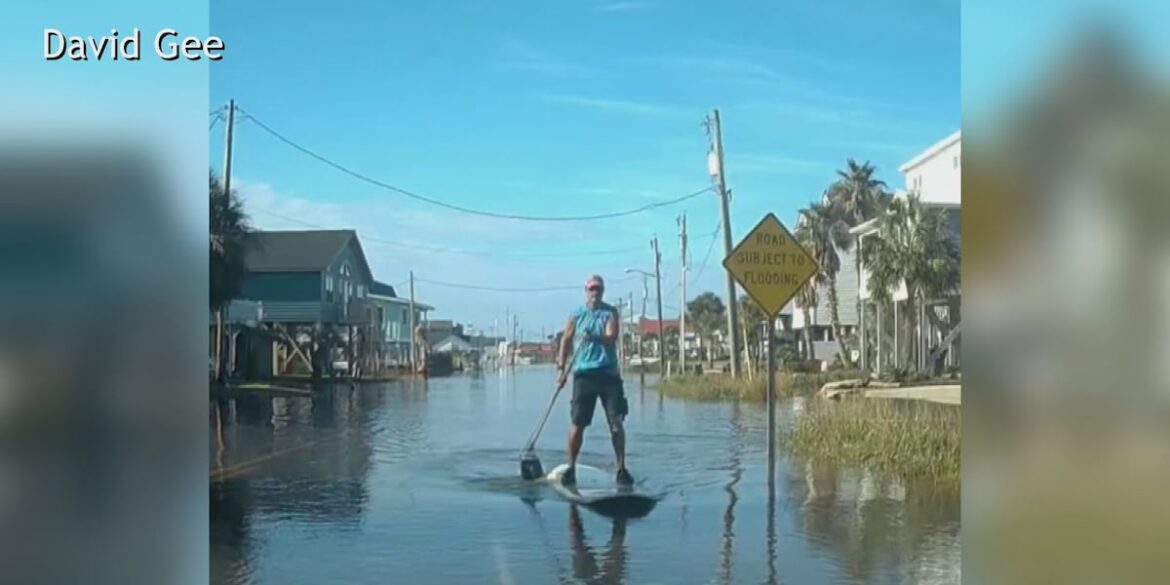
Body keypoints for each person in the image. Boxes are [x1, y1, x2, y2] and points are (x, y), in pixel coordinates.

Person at [555, 274, 633, 486]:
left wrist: (594, 337)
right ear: (586, 291)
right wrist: (561, 370)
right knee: (578, 424)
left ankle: (621, 468)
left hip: (608, 375)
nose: (595, 293)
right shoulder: (576, 315)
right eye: (591, 289)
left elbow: (611, 336)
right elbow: (566, 341)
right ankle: (570, 468)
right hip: (584, 375)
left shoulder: (610, 312)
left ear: (603, 291)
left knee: (616, 423)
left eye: (598, 289)